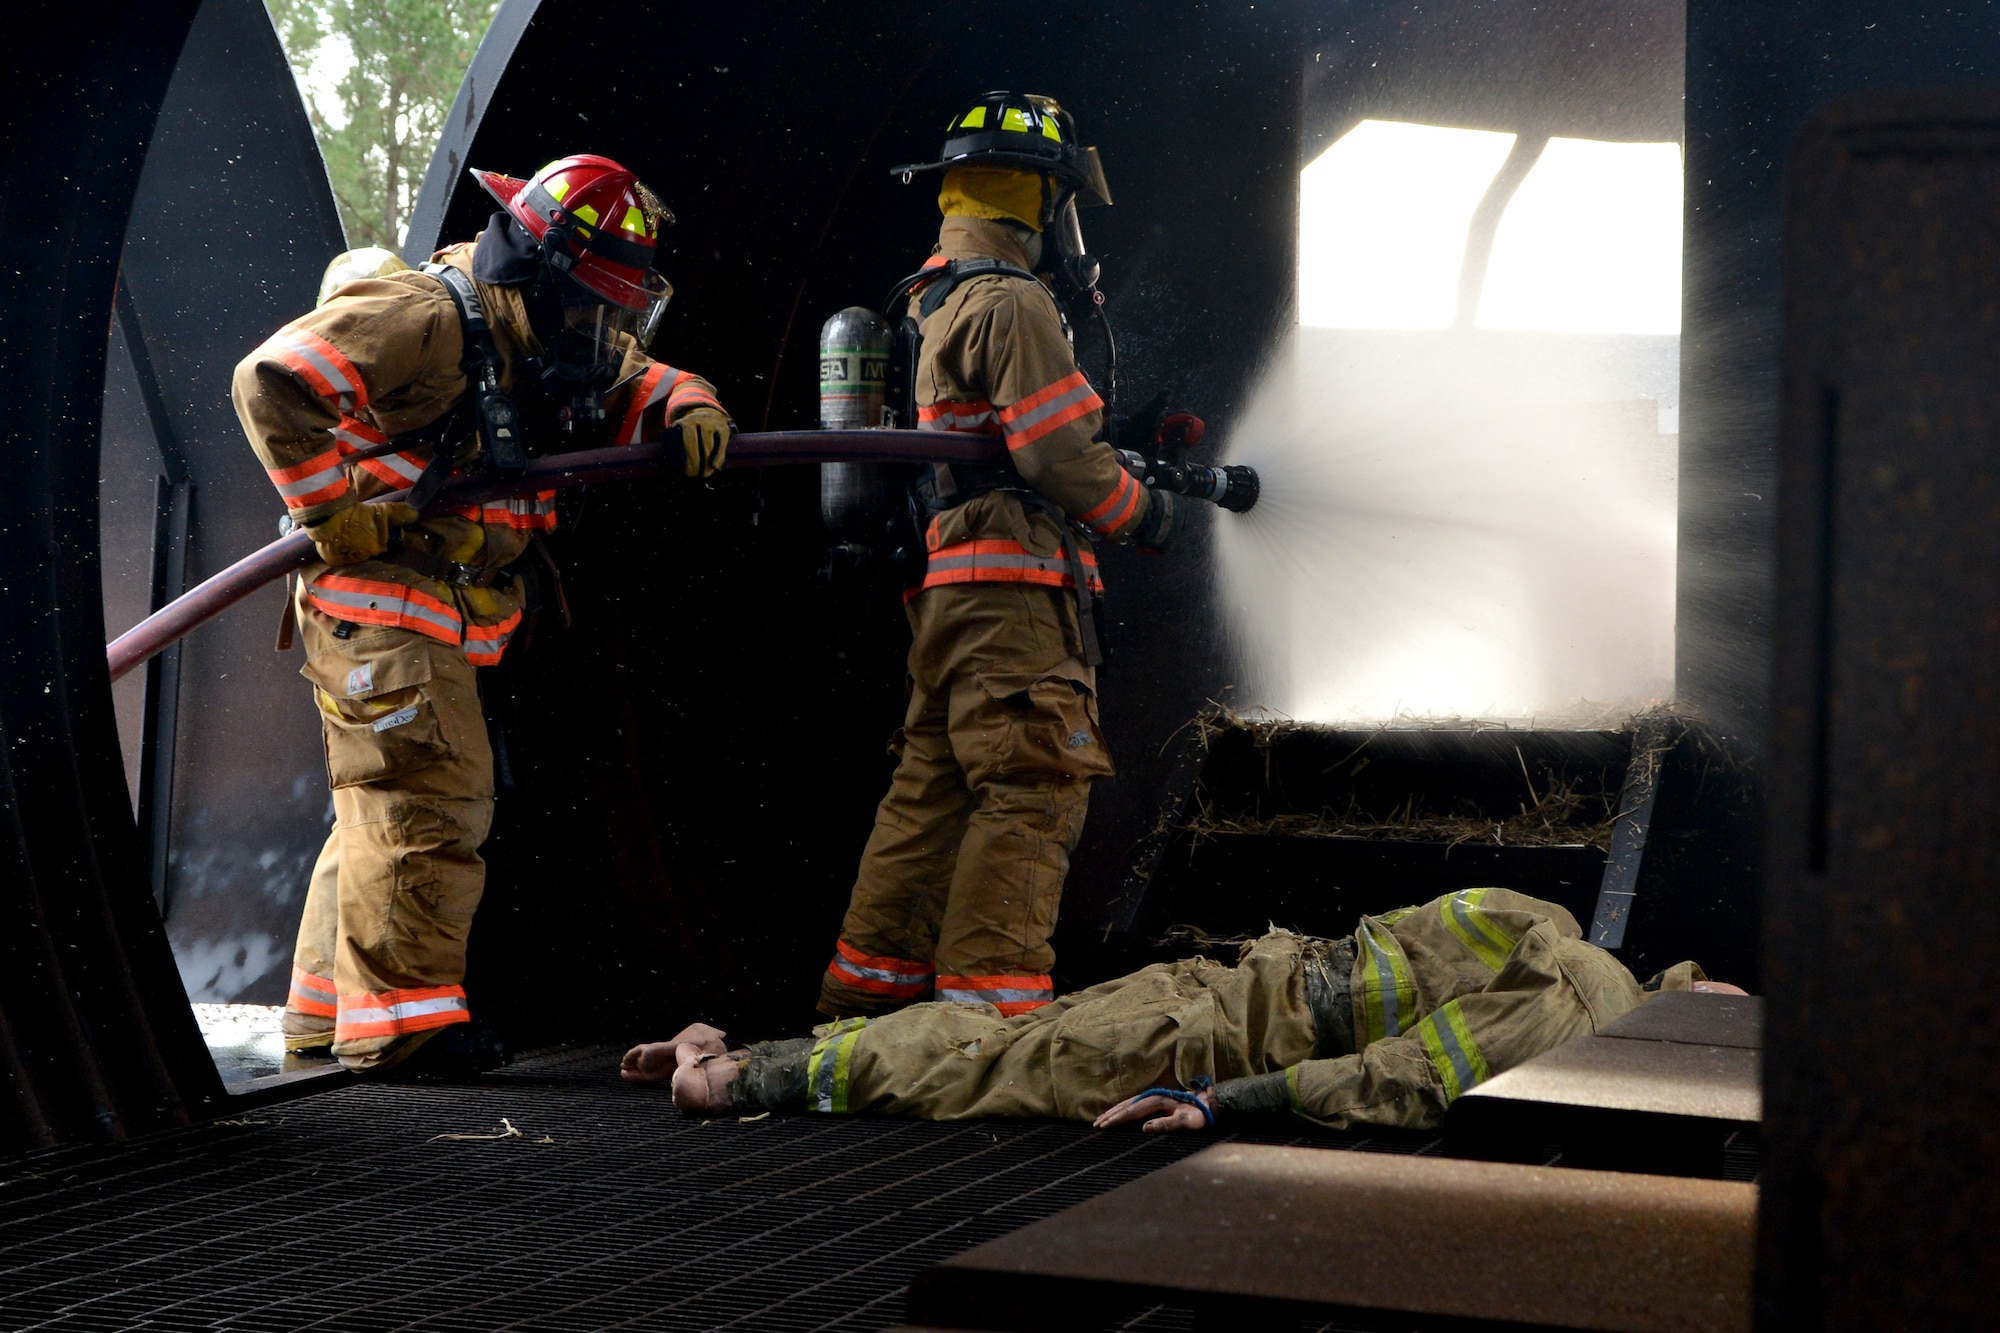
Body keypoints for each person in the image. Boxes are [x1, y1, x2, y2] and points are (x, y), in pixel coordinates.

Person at [234, 155, 732, 1075]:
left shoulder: (540, 333)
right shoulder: (427, 318)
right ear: (535, 271)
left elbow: (629, 376)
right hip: (382, 602)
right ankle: (402, 1027)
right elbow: (273, 381)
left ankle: (323, 1011)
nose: (603, 326)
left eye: (617, 307)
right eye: (590, 303)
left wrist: (687, 401)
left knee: (375, 808)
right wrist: (329, 509)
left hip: (432, 606)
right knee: (430, 798)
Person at [816, 91, 1173, 1022]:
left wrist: (1120, 443)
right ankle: (989, 1021)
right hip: (1015, 600)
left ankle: (864, 1006)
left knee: (929, 791)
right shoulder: (1012, 303)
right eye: (1064, 204)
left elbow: (1000, 438)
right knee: (1034, 784)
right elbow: (1057, 458)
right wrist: (1149, 512)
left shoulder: (926, 295)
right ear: (1037, 202)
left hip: (947, 593)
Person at [634, 888, 1739, 1132]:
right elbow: (1394, 1081)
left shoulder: (1555, 926)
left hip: (1213, 986)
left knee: (1005, 1041)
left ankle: (747, 1050)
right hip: (1212, 1037)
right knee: (984, 1070)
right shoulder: (1573, 1025)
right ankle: (738, 1078)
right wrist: (1222, 1106)